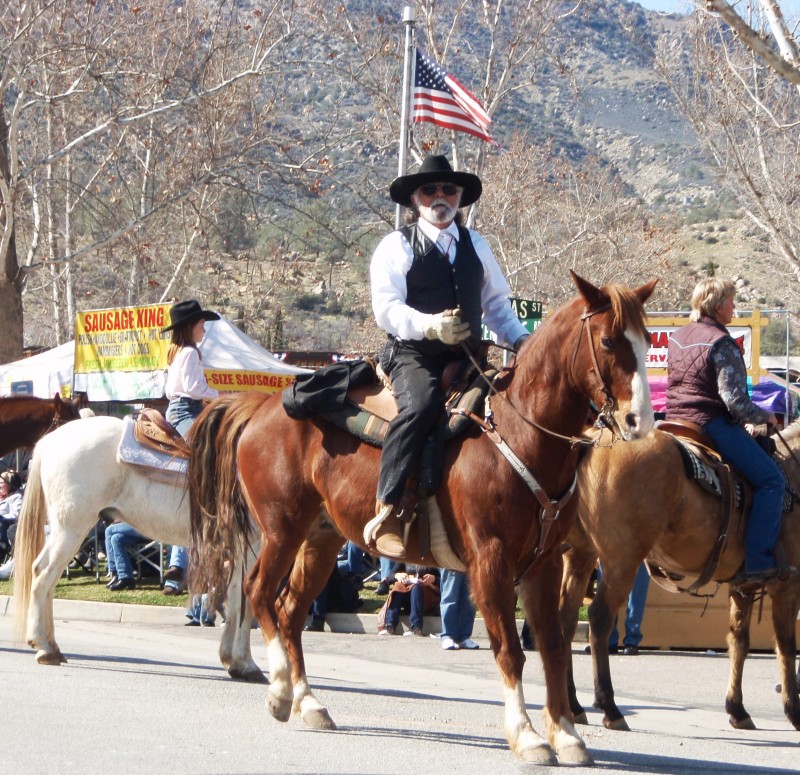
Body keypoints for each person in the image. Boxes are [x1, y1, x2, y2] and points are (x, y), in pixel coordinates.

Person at [367, 154, 529, 558]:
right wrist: (430, 326)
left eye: (448, 189)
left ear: (459, 197)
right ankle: (387, 508)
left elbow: (496, 306)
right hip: (413, 355)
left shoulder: (477, 244)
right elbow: (386, 309)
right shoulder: (395, 246)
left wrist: (523, 341)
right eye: (430, 189)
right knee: (420, 408)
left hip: (469, 357)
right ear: (415, 199)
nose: (440, 196)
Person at [666, 277, 785, 585]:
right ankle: (758, 562)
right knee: (773, 480)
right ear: (718, 306)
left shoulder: (677, 337)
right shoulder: (722, 342)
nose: (734, 307)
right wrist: (766, 416)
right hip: (709, 423)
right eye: (732, 301)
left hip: (673, 422)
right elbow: (733, 400)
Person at [161, 299, 220, 595]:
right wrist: (219, 395)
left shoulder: (177, 352)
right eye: (200, 324)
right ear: (189, 327)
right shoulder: (190, 353)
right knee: (210, 460)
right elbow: (195, 389)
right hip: (187, 411)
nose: (204, 328)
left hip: (181, 409)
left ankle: (178, 560)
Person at [377, 565, 440, 637]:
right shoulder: (406, 556)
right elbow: (390, 576)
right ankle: (390, 625)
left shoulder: (432, 557)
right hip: (409, 596)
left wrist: (434, 579)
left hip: (427, 597)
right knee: (398, 586)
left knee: (416, 587)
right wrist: (396, 575)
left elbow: (445, 579)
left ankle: (416, 627)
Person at [438, 568, 479, 650]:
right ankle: (447, 636)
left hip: (469, 559)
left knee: (469, 600)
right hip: (452, 559)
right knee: (450, 596)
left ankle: (463, 637)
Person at [103, 520, 152, 590]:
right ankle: (126, 577)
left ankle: (115, 572)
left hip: (149, 528)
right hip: (137, 529)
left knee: (109, 530)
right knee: (116, 538)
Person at [0, 469, 23, 579]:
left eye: (1, 483)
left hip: (6, 528)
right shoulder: (2, 497)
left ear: (10, 484)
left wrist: (2, 518)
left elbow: (16, 515)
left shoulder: (16, 497)